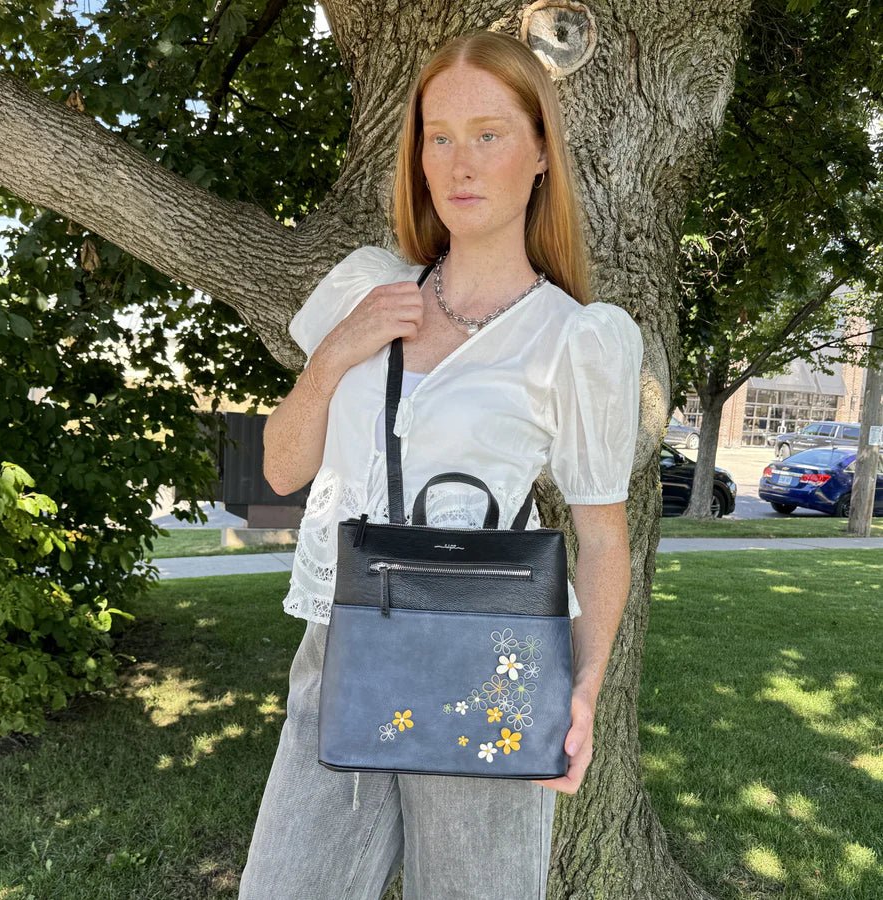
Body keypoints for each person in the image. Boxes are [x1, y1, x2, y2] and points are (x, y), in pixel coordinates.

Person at [239, 29, 644, 900]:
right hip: (339, 649)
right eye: (439, 135)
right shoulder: (363, 290)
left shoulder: (575, 341)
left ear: (541, 152)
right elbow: (278, 472)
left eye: (489, 134)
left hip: (492, 666)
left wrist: (584, 689)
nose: (460, 162)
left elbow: (603, 539)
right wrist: (333, 356)